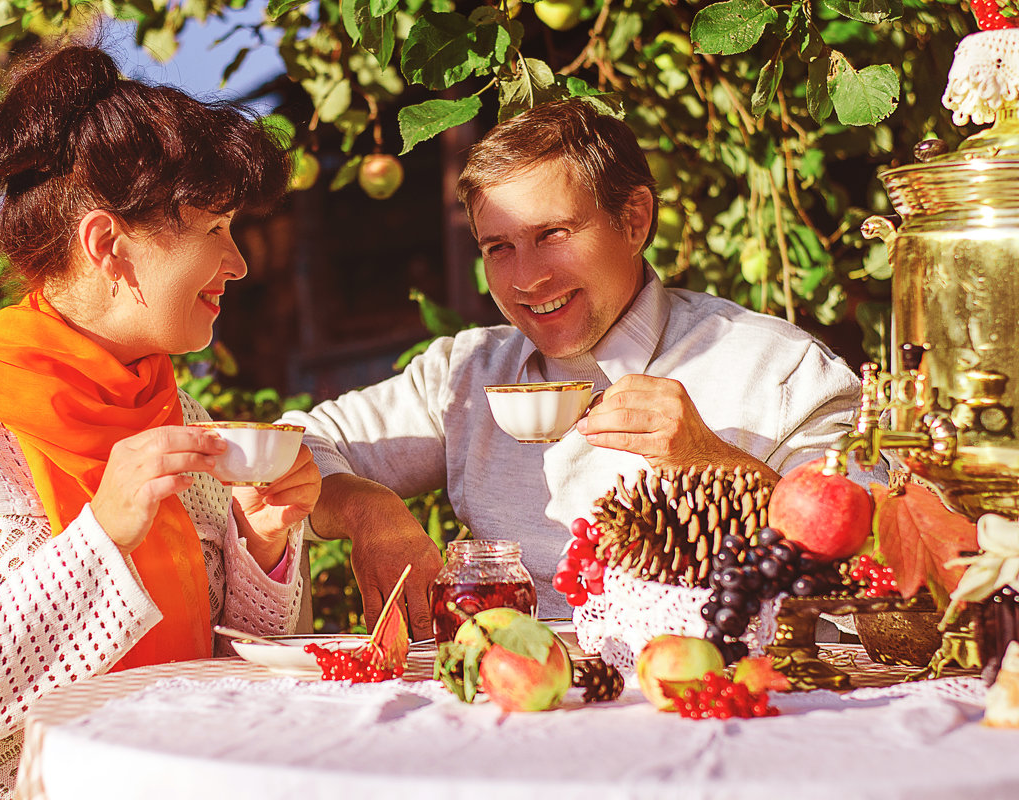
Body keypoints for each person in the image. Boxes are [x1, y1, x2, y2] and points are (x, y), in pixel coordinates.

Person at [0, 44, 320, 800]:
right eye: (215, 228)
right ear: (107, 246)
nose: (239, 261)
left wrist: (260, 542)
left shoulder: (174, 411)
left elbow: (219, 668)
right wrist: (100, 541)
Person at [282, 99, 884, 636]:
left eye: (554, 233)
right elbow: (297, 446)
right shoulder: (466, 374)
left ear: (635, 221)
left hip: (713, 714)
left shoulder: (780, 368)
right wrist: (368, 510)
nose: (527, 279)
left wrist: (717, 465)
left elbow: (879, 563)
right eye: (499, 248)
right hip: (514, 714)